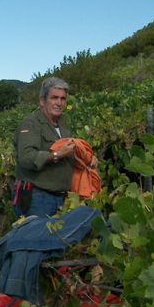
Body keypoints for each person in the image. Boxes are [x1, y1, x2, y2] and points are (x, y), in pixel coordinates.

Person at [12, 77, 97, 219]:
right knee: (39, 239)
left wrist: (87, 161)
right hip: (37, 197)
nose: (59, 103)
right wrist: (57, 154)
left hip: (60, 197)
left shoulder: (64, 124)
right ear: (42, 101)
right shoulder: (31, 123)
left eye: (63, 99)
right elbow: (26, 157)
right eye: (54, 98)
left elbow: (68, 157)